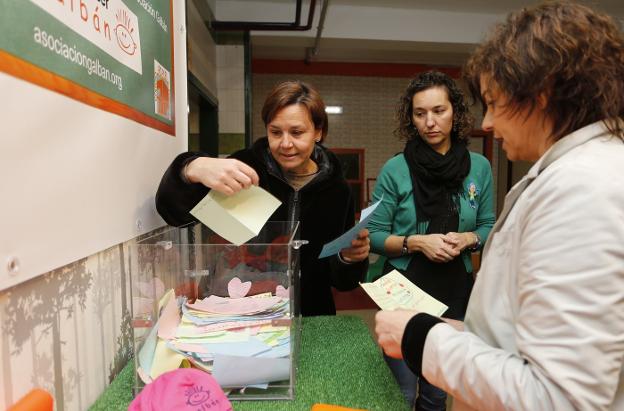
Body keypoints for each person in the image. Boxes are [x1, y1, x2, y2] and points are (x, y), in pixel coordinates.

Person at [375, 3, 624, 410]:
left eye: (495, 102)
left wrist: (422, 338)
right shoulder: (578, 173)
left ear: (539, 97)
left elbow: (559, 397)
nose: (487, 123)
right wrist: (464, 333)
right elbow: (534, 337)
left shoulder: (582, 189)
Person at [155, 80, 370, 316]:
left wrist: (348, 258)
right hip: (241, 312)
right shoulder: (242, 168)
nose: (286, 144)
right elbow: (172, 212)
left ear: (318, 132)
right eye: (275, 132)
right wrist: (191, 168)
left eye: (297, 132)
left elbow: (342, 282)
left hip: (310, 317)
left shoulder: (337, 190)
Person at [368, 71, 495, 410]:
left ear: (455, 112)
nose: (430, 122)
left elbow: (488, 226)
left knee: (438, 391)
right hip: (404, 288)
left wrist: (469, 237)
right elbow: (375, 236)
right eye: (420, 113)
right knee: (404, 391)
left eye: (439, 110)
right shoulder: (396, 169)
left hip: (454, 289)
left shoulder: (479, 167)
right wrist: (416, 242)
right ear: (410, 118)